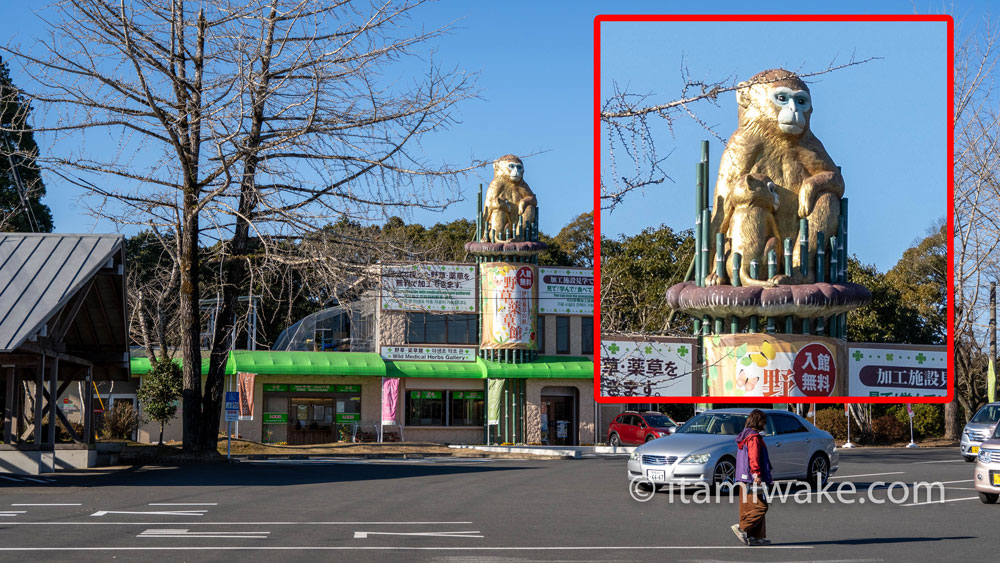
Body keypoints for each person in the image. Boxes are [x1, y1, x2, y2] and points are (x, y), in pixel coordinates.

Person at [731, 409, 773, 546]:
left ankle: (756, 537)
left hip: (742, 477)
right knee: (760, 507)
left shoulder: (744, 436)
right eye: (764, 421)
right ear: (759, 421)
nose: (765, 424)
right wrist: (757, 474)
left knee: (747, 508)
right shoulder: (753, 437)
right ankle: (742, 528)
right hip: (751, 478)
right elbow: (753, 457)